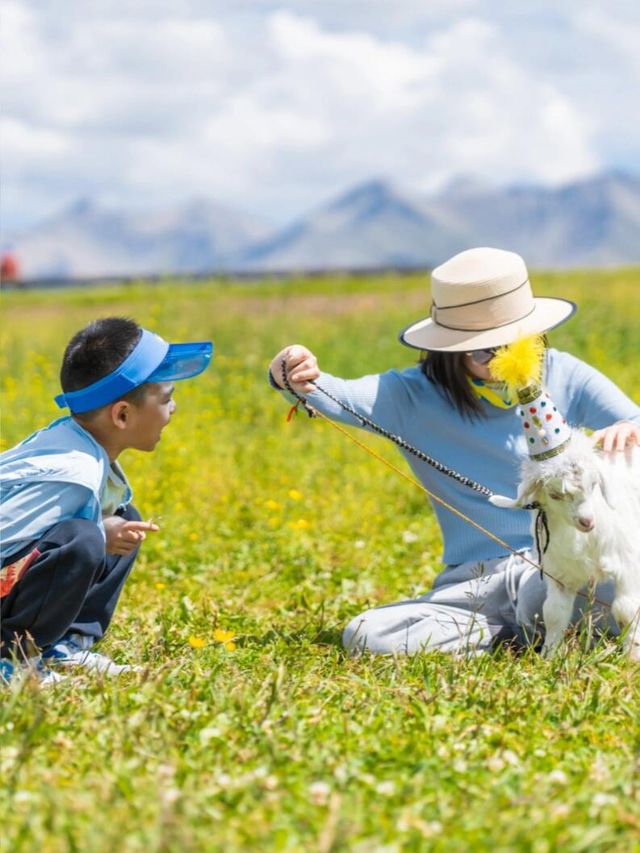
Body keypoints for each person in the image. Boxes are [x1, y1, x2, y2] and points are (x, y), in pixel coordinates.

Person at [268, 247, 640, 656]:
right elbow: (330, 393)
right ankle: (510, 634)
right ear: (450, 349)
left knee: (617, 585)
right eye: (483, 351)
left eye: (514, 346)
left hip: (564, 565)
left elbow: (635, 422)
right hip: (474, 584)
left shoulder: (565, 371)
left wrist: (627, 429)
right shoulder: (410, 393)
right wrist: (290, 369)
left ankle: (525, 632)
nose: (500, 362)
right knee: (366, 635)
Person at [1, 317, 212, 684]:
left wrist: (104, 529)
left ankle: (64, 646)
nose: (173, 409)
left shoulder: (82, 447)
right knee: (83, 538)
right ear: (123, 414)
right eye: (167, 398)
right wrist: (98, 534)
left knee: (122, 519)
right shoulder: (74, 473)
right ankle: (14, 662)